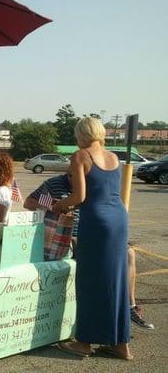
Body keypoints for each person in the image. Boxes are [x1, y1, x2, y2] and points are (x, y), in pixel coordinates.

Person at [24, 173, 154, 330]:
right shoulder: (54, 184)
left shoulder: (94, 185)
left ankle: (130, 306)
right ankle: (102, 320)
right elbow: (28, 202)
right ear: (70, 174)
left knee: (128, 254)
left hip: (93, 233)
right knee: (96, 263)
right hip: (67, 236)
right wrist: (51, 206)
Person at [52, 117, 132, 360]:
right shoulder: (114, 157)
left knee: (89, 280)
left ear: (81, 135)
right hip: (119, 219)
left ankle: (84, 342)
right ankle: (120, 344)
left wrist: (60, 205)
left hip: (96, 222)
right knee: (116, 280)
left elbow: (79, 196)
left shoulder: (80, 156)